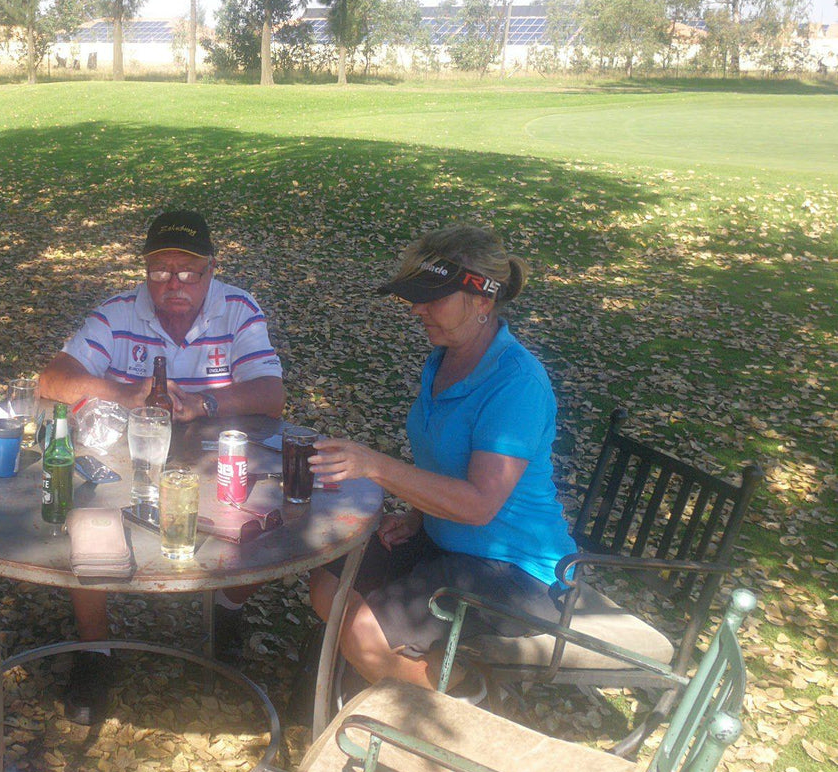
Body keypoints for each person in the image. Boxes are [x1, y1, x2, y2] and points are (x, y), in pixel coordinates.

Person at [306, 224, 577, 705]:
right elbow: (453, 467)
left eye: (431, 298)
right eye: (415, 298)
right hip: (448, 541)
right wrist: (418, 516)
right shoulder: (445, 357)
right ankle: (403, 673)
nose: (416, 309)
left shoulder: (516, 383)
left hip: (515, 569)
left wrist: (375, 466)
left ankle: (470, 697)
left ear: (482, 301)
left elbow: (477, 505)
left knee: (363, 632)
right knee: (328, 582)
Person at [38, 209, 285, 724]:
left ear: (212, 270)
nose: (173, 284)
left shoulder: (238, 308)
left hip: (208, 453)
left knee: (267, 512)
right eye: (159, 271)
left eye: (188, 272)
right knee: (84, 513)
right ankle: (94, 650)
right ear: (145, 270)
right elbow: (53, 379)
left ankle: (228, 610)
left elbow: (270, 394)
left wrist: (202, 403)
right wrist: (123, 392)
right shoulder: (118, 310)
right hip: (129, 455)